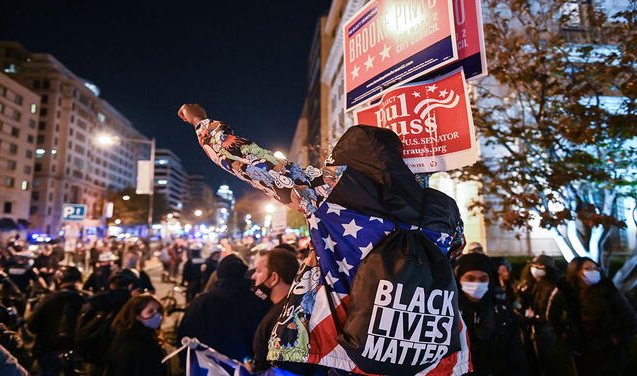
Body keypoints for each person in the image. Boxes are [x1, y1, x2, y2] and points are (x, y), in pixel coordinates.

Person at [178, 104, 469, 373]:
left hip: (349, 345)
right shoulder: (444, 209)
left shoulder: (331, 189)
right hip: (428, 347)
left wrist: (201, 123)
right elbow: (454, 252)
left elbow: (250, 161)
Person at [549, 257, 637, 376]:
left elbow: (630, 318)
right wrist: (564, 333)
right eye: (588, 268)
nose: (594, 272)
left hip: (608, 350)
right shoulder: (566, 291)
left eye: (596, 268)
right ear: (575, 271)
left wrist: (616, 339)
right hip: (579, 348)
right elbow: (553, 315)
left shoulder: (608, 290)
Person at [178, 254, 269, 362]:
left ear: (219, 274)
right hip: (244, 366)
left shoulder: (201, 303)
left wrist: (185, 363)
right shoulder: (257, 302)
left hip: (209, 366)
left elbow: (185, 336)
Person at [455, 252, 528, 376]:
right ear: (459, 279)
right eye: (470, 278)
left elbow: (516, 357)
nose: (477, 284)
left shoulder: (503, 313)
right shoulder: (448, 312)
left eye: (483, 279)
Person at [76, 268, 138, 375]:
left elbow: (81, 325)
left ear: (111, 284)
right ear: (130, 285)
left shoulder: (95, 300)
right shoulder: (134, 304)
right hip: (122, 352)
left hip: (95, 350)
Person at [27, 266, 87, 376]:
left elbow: (32, 325)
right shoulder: (85, 299)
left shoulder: (49, 298)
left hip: (48, 349)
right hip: (75, 351)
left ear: (59, 280)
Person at [247, 249, 299, 372]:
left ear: (274, 278)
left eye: (259, 271)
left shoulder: (286, 317)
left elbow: (286, 369)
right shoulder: (284, 308)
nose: (253, 276)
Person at [517, 255, 569, 375]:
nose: (536, 269)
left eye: (540, 267)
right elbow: (519, 303)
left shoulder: (553, 289)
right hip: (528, 331)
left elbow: (550, 316)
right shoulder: (527, 285)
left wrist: (533, 318)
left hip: (545, 333)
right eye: (534, 266)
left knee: (546, 364)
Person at [104, 295, 169, 376]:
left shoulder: (126, 335)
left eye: (158, 310)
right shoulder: (138, 342)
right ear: (137, 316)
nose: (158, 315)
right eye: (150, 311)